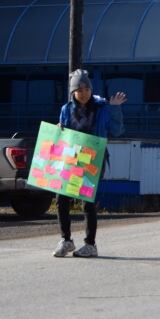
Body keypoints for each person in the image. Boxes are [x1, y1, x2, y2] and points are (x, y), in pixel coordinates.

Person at [53, 69, 126, 258]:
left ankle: (90, 244)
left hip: (94, 159)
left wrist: (115, 108)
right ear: (73, 92)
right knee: (61, 198)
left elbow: (117, 131)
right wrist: (59, 129)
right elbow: (63, 133)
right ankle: (66, 240)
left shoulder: (103, 107)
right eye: (79, 89)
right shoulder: (66, 109)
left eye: (86, 89)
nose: (83, 93)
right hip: (71, 159)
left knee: (88, 201)